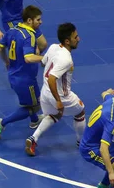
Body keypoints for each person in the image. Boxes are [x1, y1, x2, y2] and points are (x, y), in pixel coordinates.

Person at [25, 23, 85, 156]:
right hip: (61, 95)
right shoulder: (66, 59)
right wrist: (58, 100)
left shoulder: (53, 47)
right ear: (67, 41)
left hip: (45, 92)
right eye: (76, 37)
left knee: (54, 115)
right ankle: (81, 142)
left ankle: (33, 139)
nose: (78, 39)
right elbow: (52, 79)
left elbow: (43, 62)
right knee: (80, 112)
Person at [0, 6, 45, 138]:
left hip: (14, 74)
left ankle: (34, 121)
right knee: (34, 106)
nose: (41, 22)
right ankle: (3, 122)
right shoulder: (30, 36)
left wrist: (6, 62)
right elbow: (28, 58)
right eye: (38, 20)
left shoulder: (12, 30)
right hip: (26, 79)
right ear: (29, 20)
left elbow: (0, 48)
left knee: (30, 102)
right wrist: (47, 58)